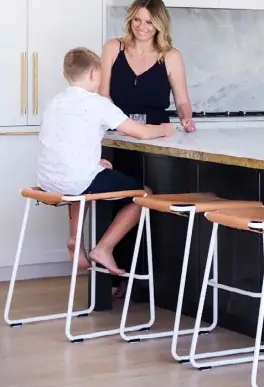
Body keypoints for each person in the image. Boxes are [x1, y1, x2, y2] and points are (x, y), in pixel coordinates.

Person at [37, 47, 173, 276]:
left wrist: (94, 162)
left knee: (85, 181)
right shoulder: (98, 103)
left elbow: (65, 142)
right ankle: (103, 248)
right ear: (92, 73)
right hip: (76, 182)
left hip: (47, 182)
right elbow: (140, 132)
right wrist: (165, 128)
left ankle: (74, 238)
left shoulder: (55, 102)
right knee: (146, 193)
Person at [99, 0, 195, 131]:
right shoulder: (112, 48)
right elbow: (103, 95)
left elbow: (182, 102)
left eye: (149, 22)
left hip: (157, 136)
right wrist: (123, 126)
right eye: (137, 19)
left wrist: (186, 119)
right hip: (117, 133)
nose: (141, 27)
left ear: (159, 24)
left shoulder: (171, 56)